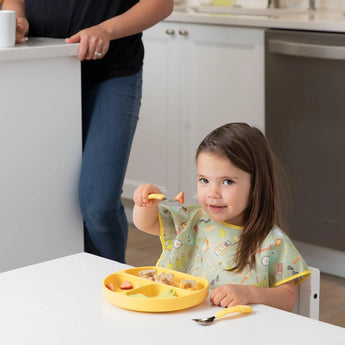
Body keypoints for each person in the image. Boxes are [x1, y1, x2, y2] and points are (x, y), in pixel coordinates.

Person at [3, 0, 174, 263]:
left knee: (99, 207)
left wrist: (105, 30)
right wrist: (17, 22)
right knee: (46, 201)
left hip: (112, 74)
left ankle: (114, 285)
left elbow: (160, 4)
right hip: (42, 70)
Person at [133, 122, 311, 311]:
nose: (212, 193)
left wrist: (249, 293)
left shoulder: (271, 241)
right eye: (204, 180)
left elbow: (288, 298)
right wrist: (144, 203)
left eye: (227, 182)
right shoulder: (191, 220)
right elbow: (146, 223)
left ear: (256, 185)